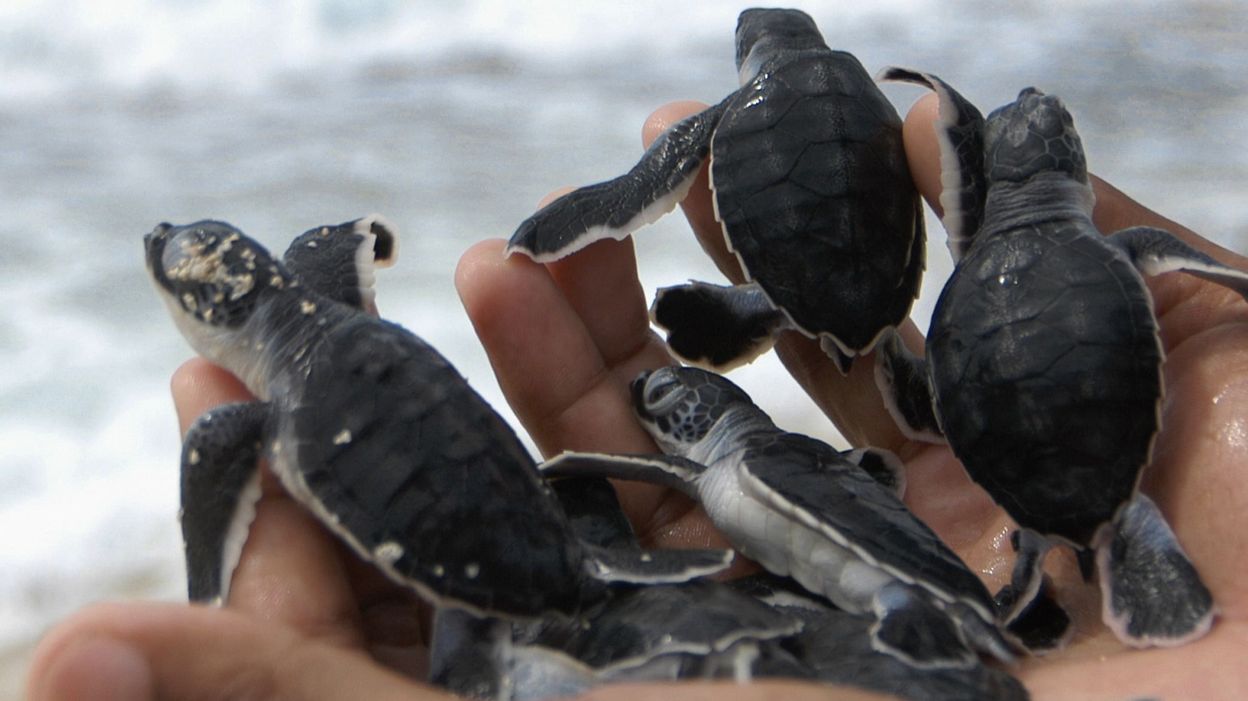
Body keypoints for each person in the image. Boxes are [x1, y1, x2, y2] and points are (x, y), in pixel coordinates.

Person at [25, 95, 1248, 701]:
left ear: (210, 309)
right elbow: (339, 251)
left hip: (553, 542)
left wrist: (210, 566)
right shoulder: (321, 301)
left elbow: (239, 445)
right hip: (590, 536)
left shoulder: (251, 415)